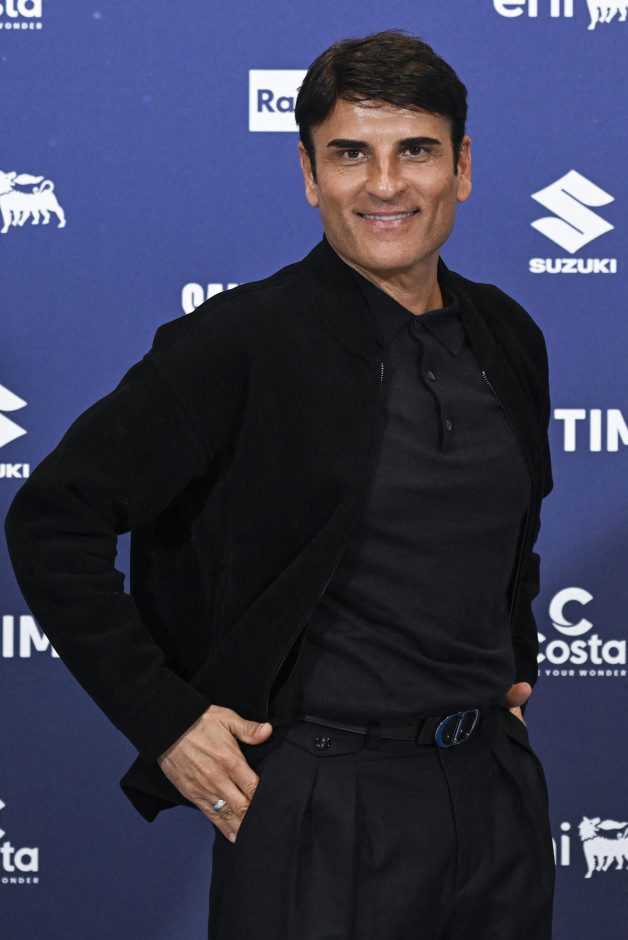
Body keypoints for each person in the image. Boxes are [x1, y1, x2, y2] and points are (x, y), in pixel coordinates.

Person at [4, 29, 555, 940]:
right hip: (318, 805)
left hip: (494, 800)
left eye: (416, 150)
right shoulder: (241, 341)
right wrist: (167, 720)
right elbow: (53, 520)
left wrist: (512, 658)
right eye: (351, 154)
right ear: (309, 173)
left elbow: (513, 532)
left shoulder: (508, 333)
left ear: (461, 167)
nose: (384, 185)